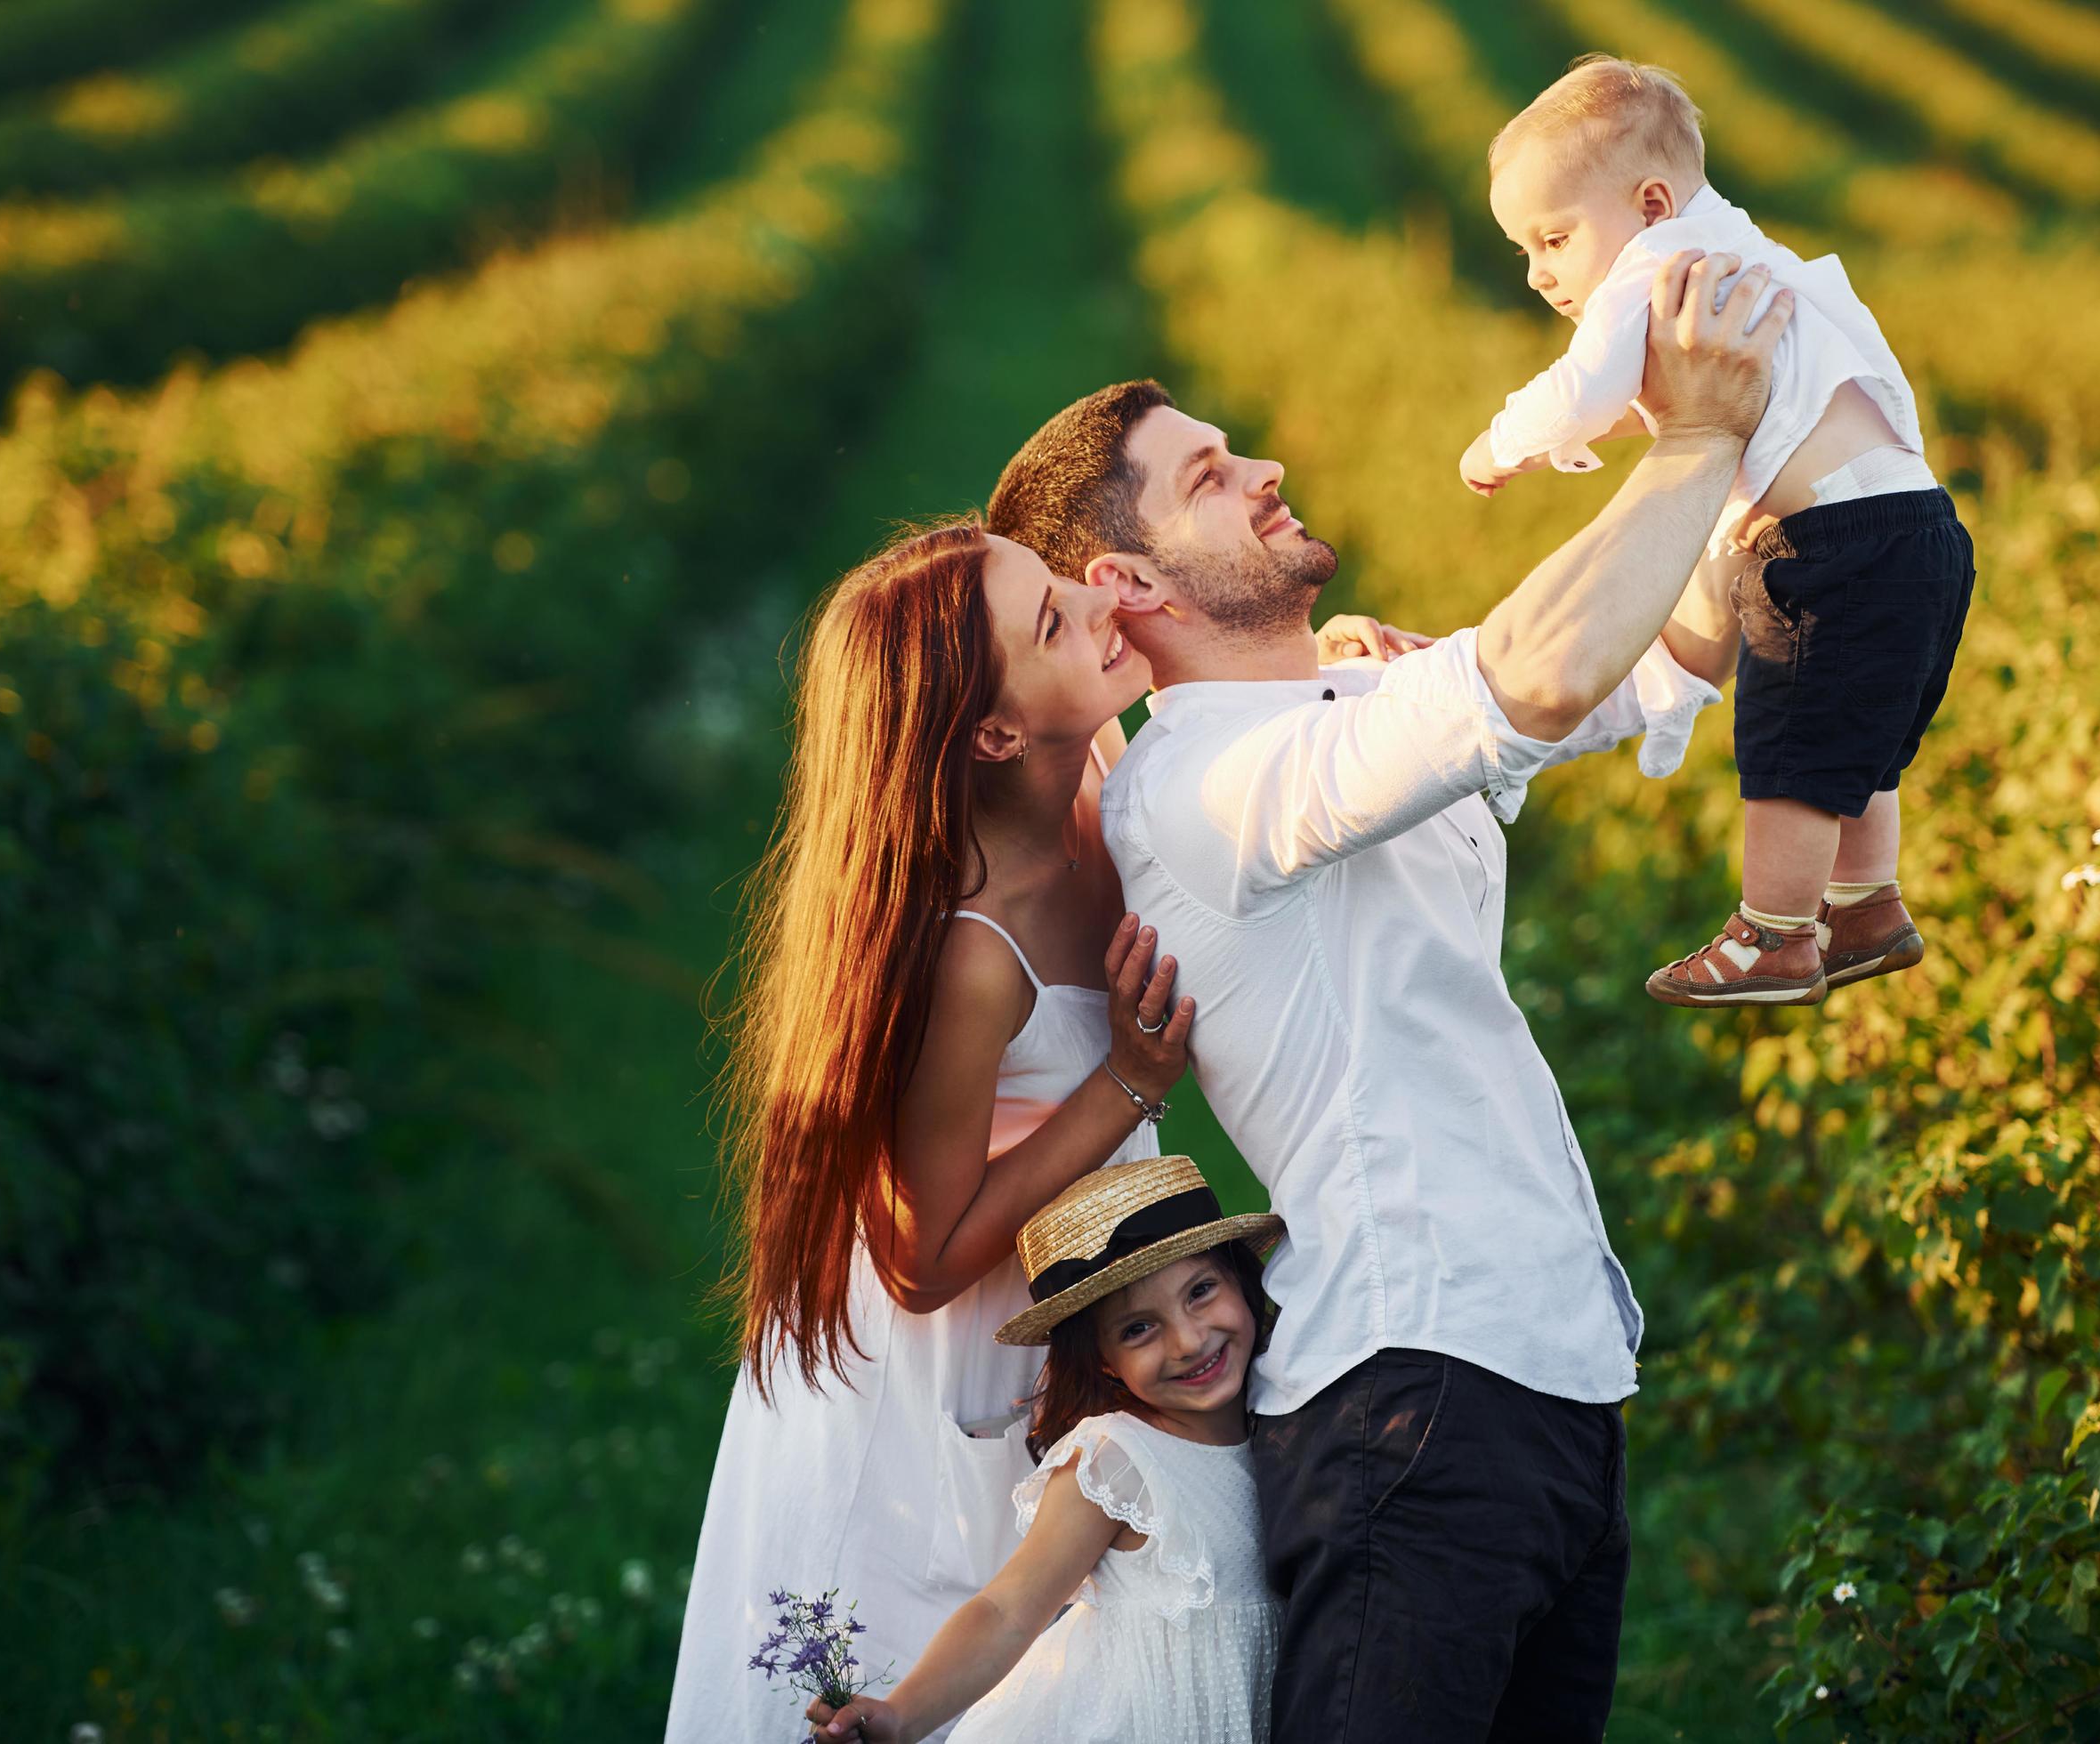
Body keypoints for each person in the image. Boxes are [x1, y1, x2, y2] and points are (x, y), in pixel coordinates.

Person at [981, 245, 1783, 1740]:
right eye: (1213, 473)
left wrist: (1778, 473)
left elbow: (1650, 661)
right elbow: (1533, 680)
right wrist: (1690, 440)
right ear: (1127, 581)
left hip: (1549, 1377)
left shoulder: (1347, 699)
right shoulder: (1204, 786)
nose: (1269, 468)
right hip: (1412, 1398)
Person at [665, 521, 1424, 1742]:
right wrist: (1125, 1080)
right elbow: (920, 1258)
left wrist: (1332, 682)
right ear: (995, 734)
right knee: (978, 1661)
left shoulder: (1095, 762)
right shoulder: (970, 949)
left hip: (1092, 1275)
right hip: (961, 1351)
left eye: (1061, 583)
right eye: (1052, 620)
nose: (1095, 601)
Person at [1460, 56, 1977, 1008]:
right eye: (1524, 250)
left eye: (1554, 239)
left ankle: (1774, 935)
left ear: (1651, 203)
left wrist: (1502, 442)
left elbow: (1584, 389)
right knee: (1856, 734)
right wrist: (1575, 445)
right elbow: (1652, 398)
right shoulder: (1752, 259)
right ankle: (1864, 907)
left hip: (1830, 542)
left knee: (1790, 737)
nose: (1539, 273)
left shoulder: (1655, 269)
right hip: (1918, 524)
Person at [807, 1155, 1283, 1743]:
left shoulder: (1291, 1417)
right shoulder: (1118, 1461)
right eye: (1139, 1328)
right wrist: (905, 1714)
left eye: (1201, 1291)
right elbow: (1008, 1610)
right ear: (1103, 1360)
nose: (1188, 1340)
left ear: (1241, 1278)